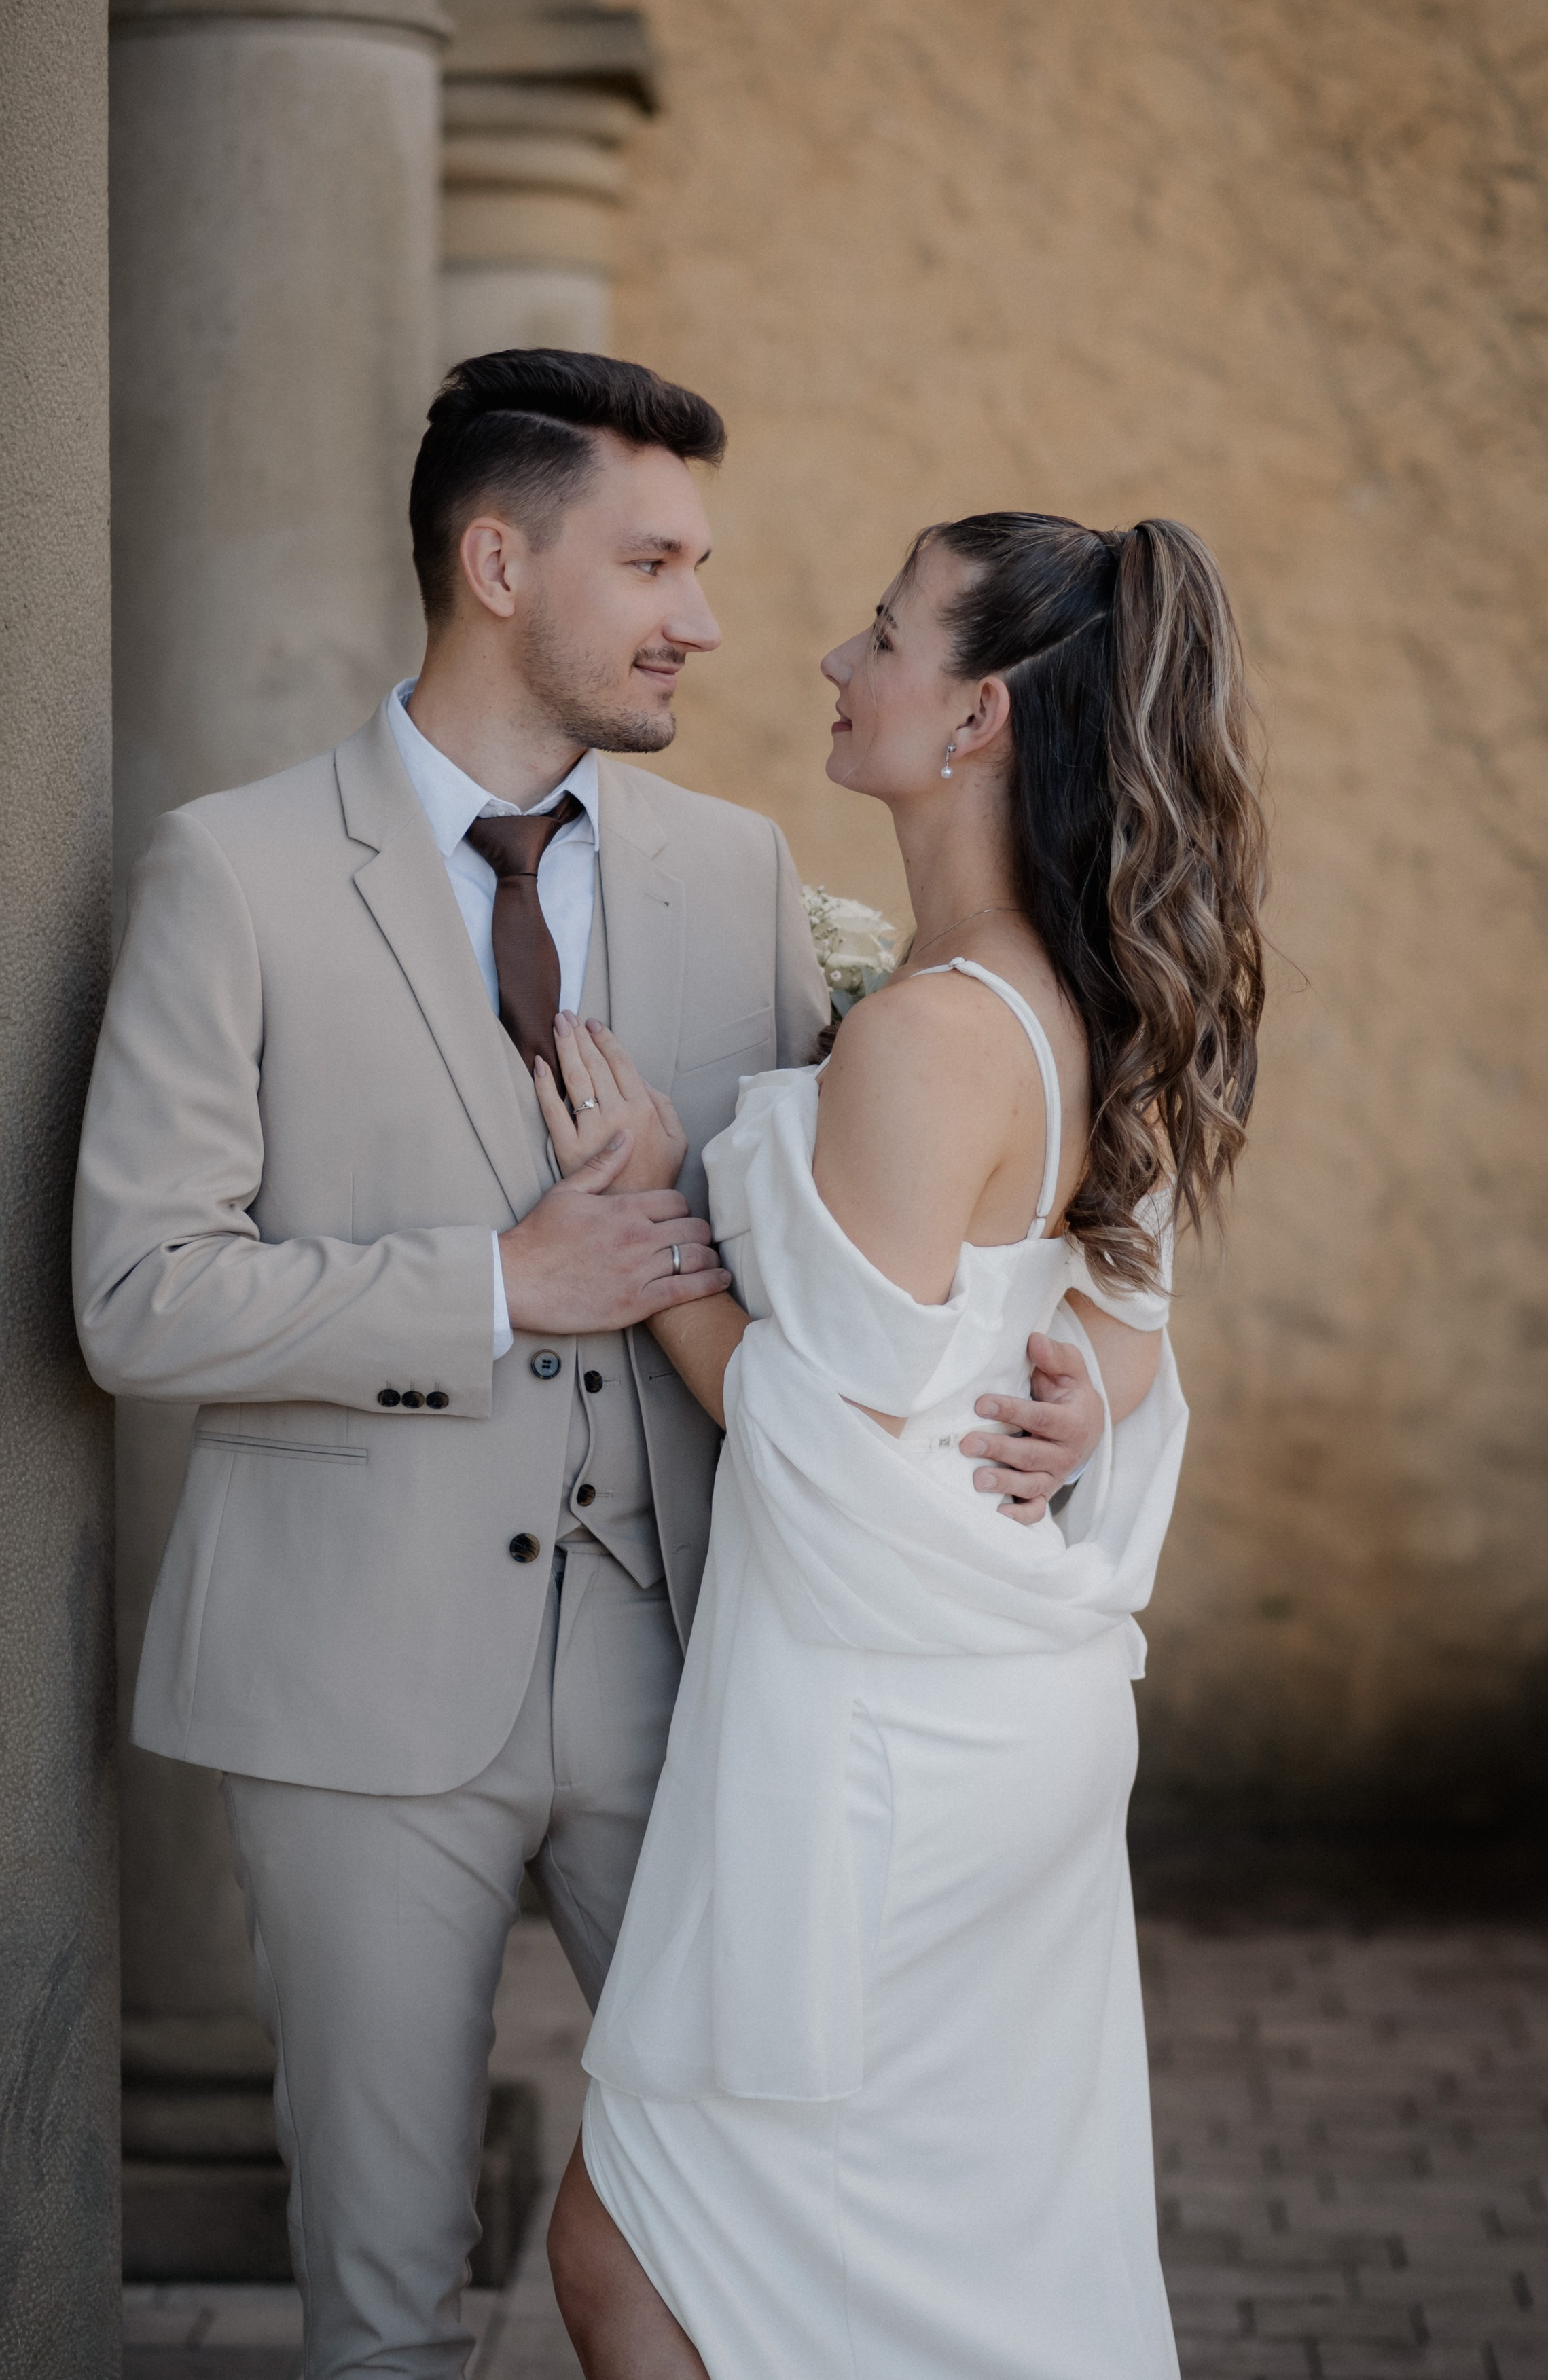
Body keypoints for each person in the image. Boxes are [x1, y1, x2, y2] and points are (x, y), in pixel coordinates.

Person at [72, 358, 1112, 2379]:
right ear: (494, 563)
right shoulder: (239, 872)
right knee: (382, 2299)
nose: (705, 621)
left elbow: (882, 1244)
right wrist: (492, 1283)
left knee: (763, 2230)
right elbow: (138, 1294)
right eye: (652, 563)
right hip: (353, 1695)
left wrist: (1076, 1371)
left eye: (703, 566)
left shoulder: (734, 872)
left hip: (707, 1677)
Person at [544, 511, 1268, 2379]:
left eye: (884, 634)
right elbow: (1120, 1292)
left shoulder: (936, 1036)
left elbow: (815, 1441)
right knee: (929, 2267)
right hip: (983, 1720)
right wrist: (1091, 1376)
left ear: (980, 722)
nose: (831, 662)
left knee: (638, 2250)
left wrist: (651, 1230)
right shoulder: (1087, 990)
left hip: (877, 1745)